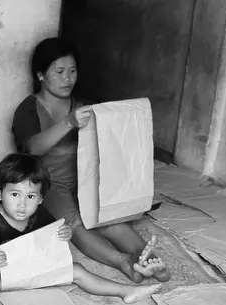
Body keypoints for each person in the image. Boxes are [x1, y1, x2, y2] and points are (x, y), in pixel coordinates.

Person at [0, 153, 161, 305]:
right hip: (5, 275)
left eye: (30, 196)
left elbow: (52, 237)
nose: (22, 204)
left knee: (78, 270)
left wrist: (63, 234)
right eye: (14, 194)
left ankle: (125, 291)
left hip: (35, 272)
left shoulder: (40, 215)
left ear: (40, 199)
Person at [12, 37, 170, 284]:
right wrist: (68, 123)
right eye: (60, 72)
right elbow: (31, 148)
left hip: (85, 179)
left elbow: (109, 146)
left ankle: (150, 258)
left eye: (73, 71)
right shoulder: (29, 109)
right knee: (75, 223)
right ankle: (123, 262)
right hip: (49, 184)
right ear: (41, 75)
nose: (68, 79)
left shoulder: (85, 106)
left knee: (107, 219)